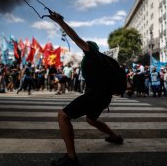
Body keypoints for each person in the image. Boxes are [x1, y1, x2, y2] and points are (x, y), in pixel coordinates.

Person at [49, 12, 123, 166]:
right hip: (105, 97)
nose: (83, 51)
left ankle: (71, 158)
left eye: (85, 48)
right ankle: (115, 137)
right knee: (91, 119)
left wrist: (61, 22)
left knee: (63, 116)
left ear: (90, 48)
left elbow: (76, 38)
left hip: (95, 95)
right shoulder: (108, 60)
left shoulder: (93, 56)